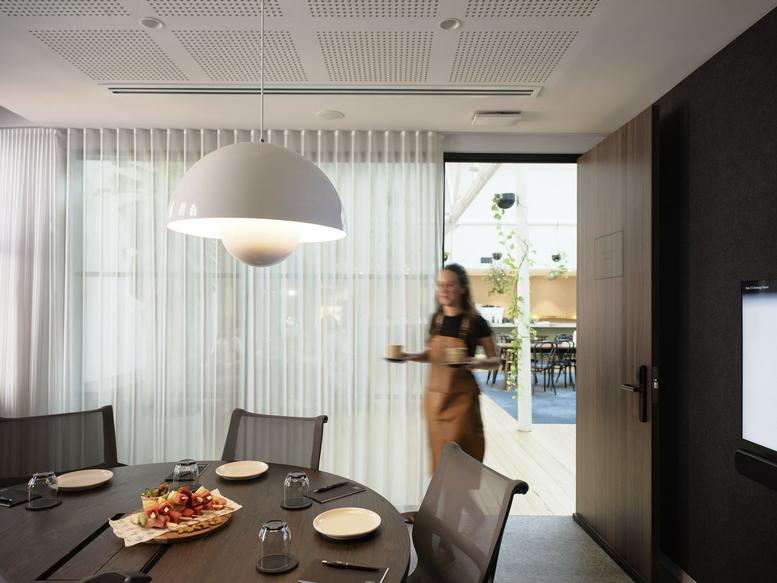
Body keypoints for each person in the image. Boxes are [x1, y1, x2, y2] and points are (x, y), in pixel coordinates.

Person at [400, 263, 501, 471]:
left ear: (462, 288)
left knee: (463, 456)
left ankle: (466, 492)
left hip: (461, 403)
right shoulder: (436, 320)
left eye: (450, 285)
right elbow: (432, 355)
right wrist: (409, 356)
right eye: (440, 285)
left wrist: (476, 362)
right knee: (440, 459)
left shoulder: (475, 322)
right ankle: (444, 493)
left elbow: (495, 360)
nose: (444, 290)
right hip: (434, 403)